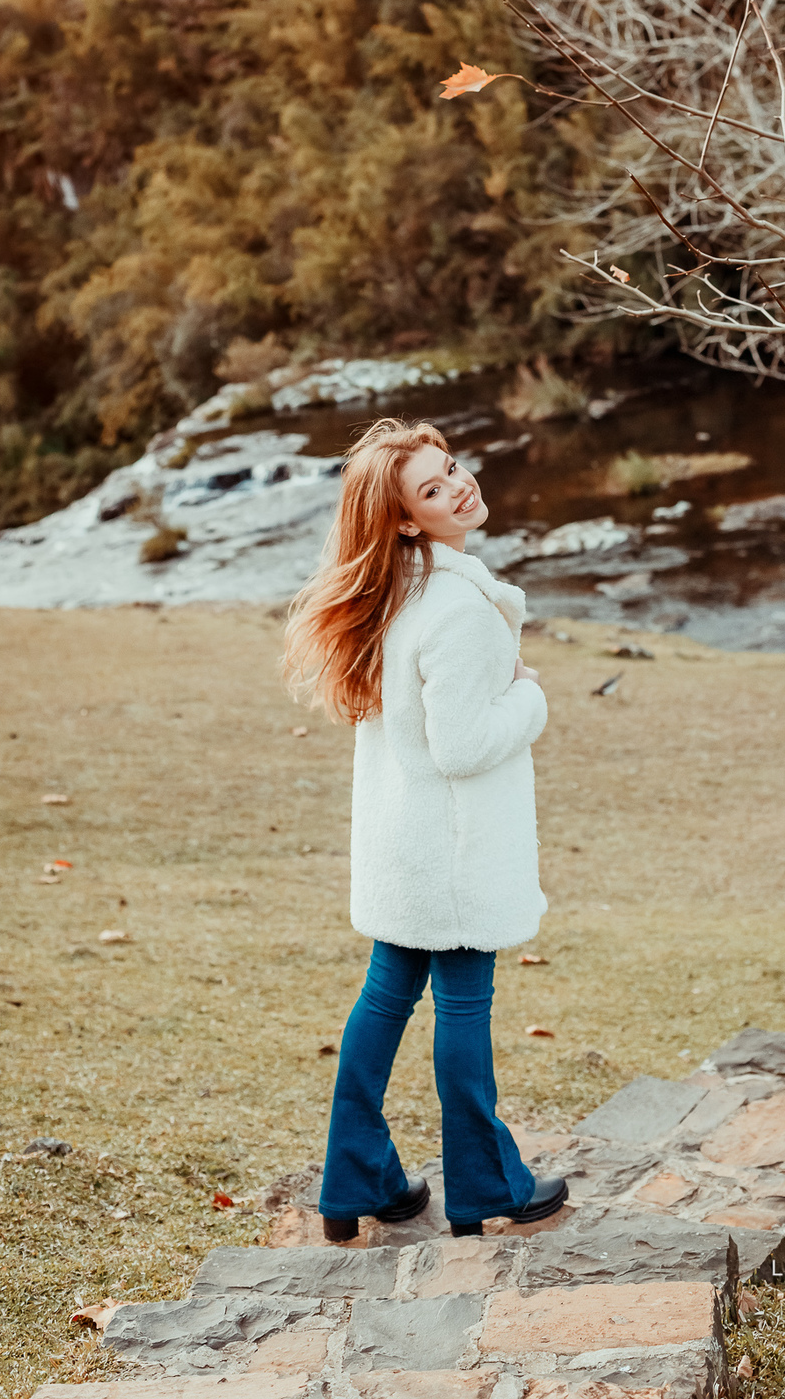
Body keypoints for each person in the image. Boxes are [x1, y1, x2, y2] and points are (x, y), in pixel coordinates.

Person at [283, 418, 567, 1239]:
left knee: (385, 999)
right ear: (407, 519)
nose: (460, 487)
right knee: (463, 1007)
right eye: (433, 488)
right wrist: (530, 696)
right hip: (454, 853)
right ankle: (486, 1187)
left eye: (453, 469)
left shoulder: (392, 591)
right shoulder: (456, 609)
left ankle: (354, 1180)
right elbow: (464, 745)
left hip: (402, 846)